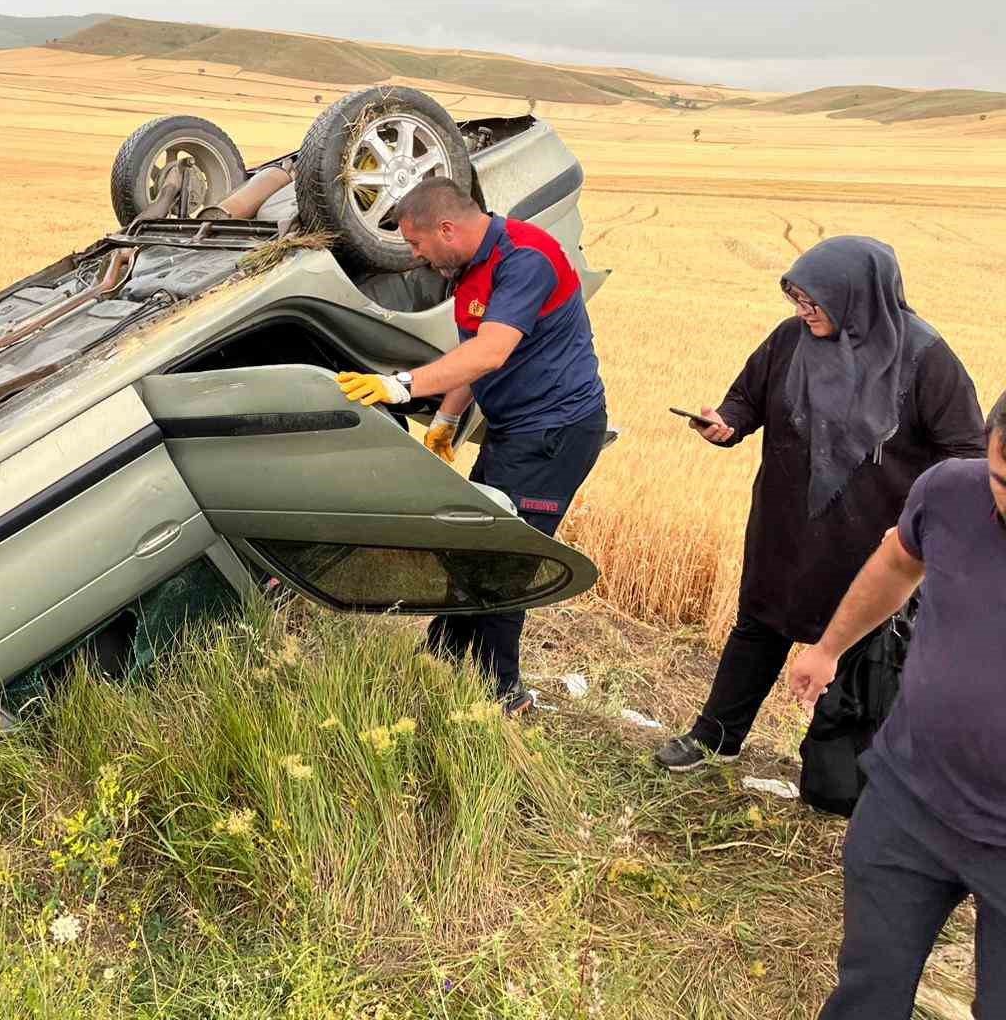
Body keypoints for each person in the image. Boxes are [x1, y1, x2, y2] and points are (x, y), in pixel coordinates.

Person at [654, 236, 983, 772]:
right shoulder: (789, 340)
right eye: (797, 300)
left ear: (859, 295)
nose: (803, 311)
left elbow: (967, 452)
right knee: (759, 624)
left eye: (813, 301)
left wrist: (921, 523)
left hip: (871, 540)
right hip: (785, 523)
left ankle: (833, 768)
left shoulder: (926, 358)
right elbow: (747, 398)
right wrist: (726, 423)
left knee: (858, 652)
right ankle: (715, 738)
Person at [333, 178, 608, 714]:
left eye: (415, 244)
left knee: (506, 560)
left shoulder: (526, 257)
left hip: (555, 432)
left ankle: (503, 694)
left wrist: (402, 385)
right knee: (473, 541)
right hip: (516, 430)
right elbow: (470, 353)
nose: (414, 255)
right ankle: (445, 653)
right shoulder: (468, 269)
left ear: (447, 229)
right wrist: (446, 419)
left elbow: (491, 353)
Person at [792, 388, 1006, 1020]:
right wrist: (829, 647)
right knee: (867, 991)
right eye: (1002, 479)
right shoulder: (948, 492)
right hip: (909, 803)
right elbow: (896, 562)